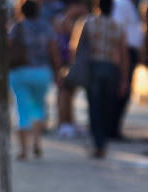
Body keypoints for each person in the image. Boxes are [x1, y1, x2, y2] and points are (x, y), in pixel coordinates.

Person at [71, 0, 128, 157]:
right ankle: (102, 141)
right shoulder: (118, 26)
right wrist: (124, 79)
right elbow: (124, 54)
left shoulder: (87, 22)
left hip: (94, 67)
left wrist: (75, 66)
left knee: (95, 106)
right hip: (112, 68)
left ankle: (99, 142)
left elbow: (75, 47)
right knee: (106, 106)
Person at [9, 0, 61, 160]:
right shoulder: (46, 27)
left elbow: (8, 46)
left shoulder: (17, 27)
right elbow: (54, 51)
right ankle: (37, 143)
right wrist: (57, 71)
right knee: (38, 107)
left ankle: (23, 150)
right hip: (42, 73)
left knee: (22, 109)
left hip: (20, 72)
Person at [109, 0, 144, 139]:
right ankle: (112, 129)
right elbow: (118, 30)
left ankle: (114, 128)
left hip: (129, 51)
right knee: (121, 89)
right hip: (125, 51)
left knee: (124, 90)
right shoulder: (122, 4)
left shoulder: (129, 5)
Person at [56, 0, 89, 138]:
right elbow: (75, 39)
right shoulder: (67, 20)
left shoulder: (63, 19)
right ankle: (64, 123)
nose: (84, 9)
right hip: (65, 61)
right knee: (64, 93)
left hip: (66, 61)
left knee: (68, 94)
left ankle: (68, 122)